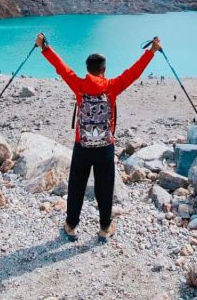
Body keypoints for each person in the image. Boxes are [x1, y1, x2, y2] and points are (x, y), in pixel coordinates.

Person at [36, 32, 160, 241]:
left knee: (77, 185)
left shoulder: (79, 85)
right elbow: (134, 72)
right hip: (105, 146)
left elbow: (61, 68)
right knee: (104, 186)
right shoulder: (112, 86)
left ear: (87, 70)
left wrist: (44, 47)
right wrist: (152, 51)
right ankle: (104, 227)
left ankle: (71, 225)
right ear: (104, 70)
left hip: (82, 144)